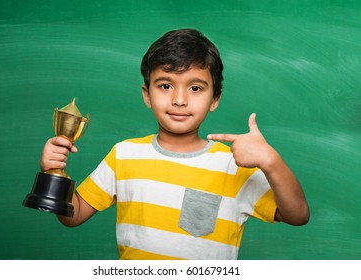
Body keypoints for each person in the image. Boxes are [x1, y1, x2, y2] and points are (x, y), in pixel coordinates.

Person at [40, 28, 309, 260]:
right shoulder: (124, 155)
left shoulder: (233, 164)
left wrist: (271, 162)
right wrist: (54, 171)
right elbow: (71, 217)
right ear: (147, 95)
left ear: (215, 98)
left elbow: (297, 216)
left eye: (195, 88)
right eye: (165, 86)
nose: (179, 99)